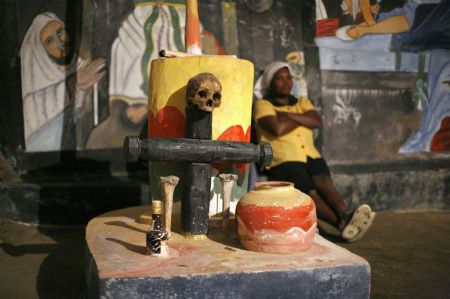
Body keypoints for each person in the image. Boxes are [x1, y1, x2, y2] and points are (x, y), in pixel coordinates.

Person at [253, 61, 375, 242]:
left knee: (324, 182)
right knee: (308, 193)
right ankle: (342, 224)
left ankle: (346, 216)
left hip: (310, 154)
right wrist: (303, 118)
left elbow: (316, 121)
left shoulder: (302, 101)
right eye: (280, 78)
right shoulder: (263, 105)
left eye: (289, 78)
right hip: (283, 159)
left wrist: (287, 115)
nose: (286, 82)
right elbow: (277, 129)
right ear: (270, 83)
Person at [20, 12, 105, 152]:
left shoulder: (82, 66)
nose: (60, 43)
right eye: (49, 41)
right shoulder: (38, 79)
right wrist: (73, 83)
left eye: (60, 32)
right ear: (42, 51)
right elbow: (31, 110)